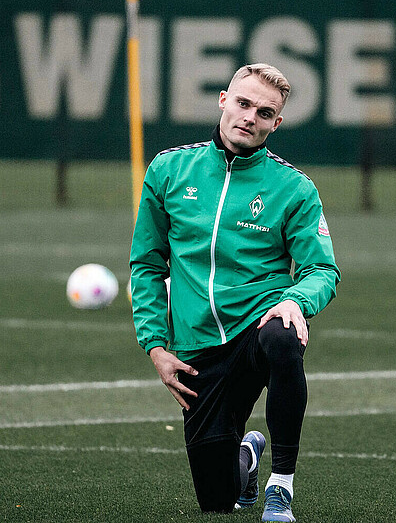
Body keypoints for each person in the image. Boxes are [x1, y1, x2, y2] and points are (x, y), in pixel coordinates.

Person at [130, 63, 340, 521]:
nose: (250, 117)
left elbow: (322, 269)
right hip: (196, 349)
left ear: (276, 123)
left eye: (264, 113)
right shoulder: (168, 169)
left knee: (283, 335)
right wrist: (156, 347)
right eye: (243, 104)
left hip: (257, 325)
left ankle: (281, 485)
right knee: (216, 500)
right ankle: (244, 458)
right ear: (224, 100)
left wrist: (294, 301)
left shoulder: (295, 188)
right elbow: (147, 264)